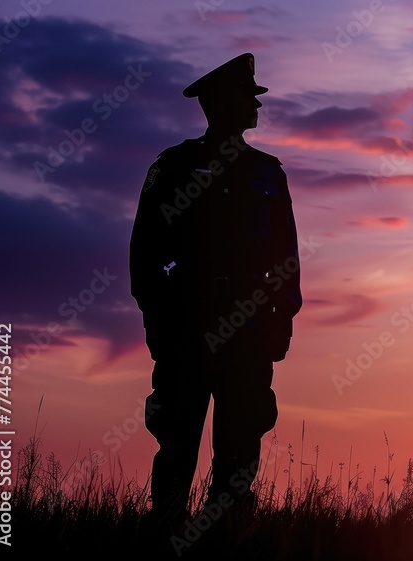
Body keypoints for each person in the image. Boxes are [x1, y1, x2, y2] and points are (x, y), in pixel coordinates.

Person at [129, 52, 302, 532]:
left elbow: (286, 258)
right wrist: (158, 323)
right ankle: (166, 531)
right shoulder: (175, 166)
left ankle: (228, 536)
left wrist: (279, 321)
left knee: (242, 437)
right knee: (177, 435)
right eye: (249, 97)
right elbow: (145, 253)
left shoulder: (269, 172)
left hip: (249, 329)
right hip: (187, 324)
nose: (257, 106)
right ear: (221, 104)